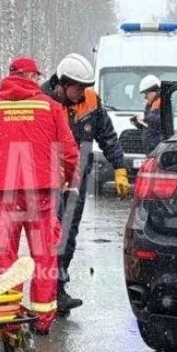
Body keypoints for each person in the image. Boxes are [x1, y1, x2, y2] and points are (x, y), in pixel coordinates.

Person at [0, 56, 79, 334]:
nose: (38, 81)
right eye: (36, 77)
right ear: (30, 76)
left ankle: (11, 316)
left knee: (5, 253)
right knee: (44, 255)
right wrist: (70, 181)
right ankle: (42, 320)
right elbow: (70, 151)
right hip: (43, 194)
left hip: (5, 194)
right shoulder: (50, 107)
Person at [42, 52, 129, 315]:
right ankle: (45, 290)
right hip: (48, 180)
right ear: (62, 83)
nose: (81, 93)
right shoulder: (42, 102)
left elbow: (107, 135)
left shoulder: (90, 102)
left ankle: (58, 288)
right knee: (49, 235)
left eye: (84, 87)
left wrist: (120, 167)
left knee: (68, 235)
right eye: (77, 87)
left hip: (77, 179)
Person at [130, 74, 163, 154]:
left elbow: (161, 120)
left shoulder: (162, 103)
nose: (145, 97)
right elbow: (150, 125)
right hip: (151, 148)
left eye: (146, 94)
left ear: (153, 92)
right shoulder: (150, 105)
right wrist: (138, 123)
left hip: (157, 148)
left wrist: (145, 117)